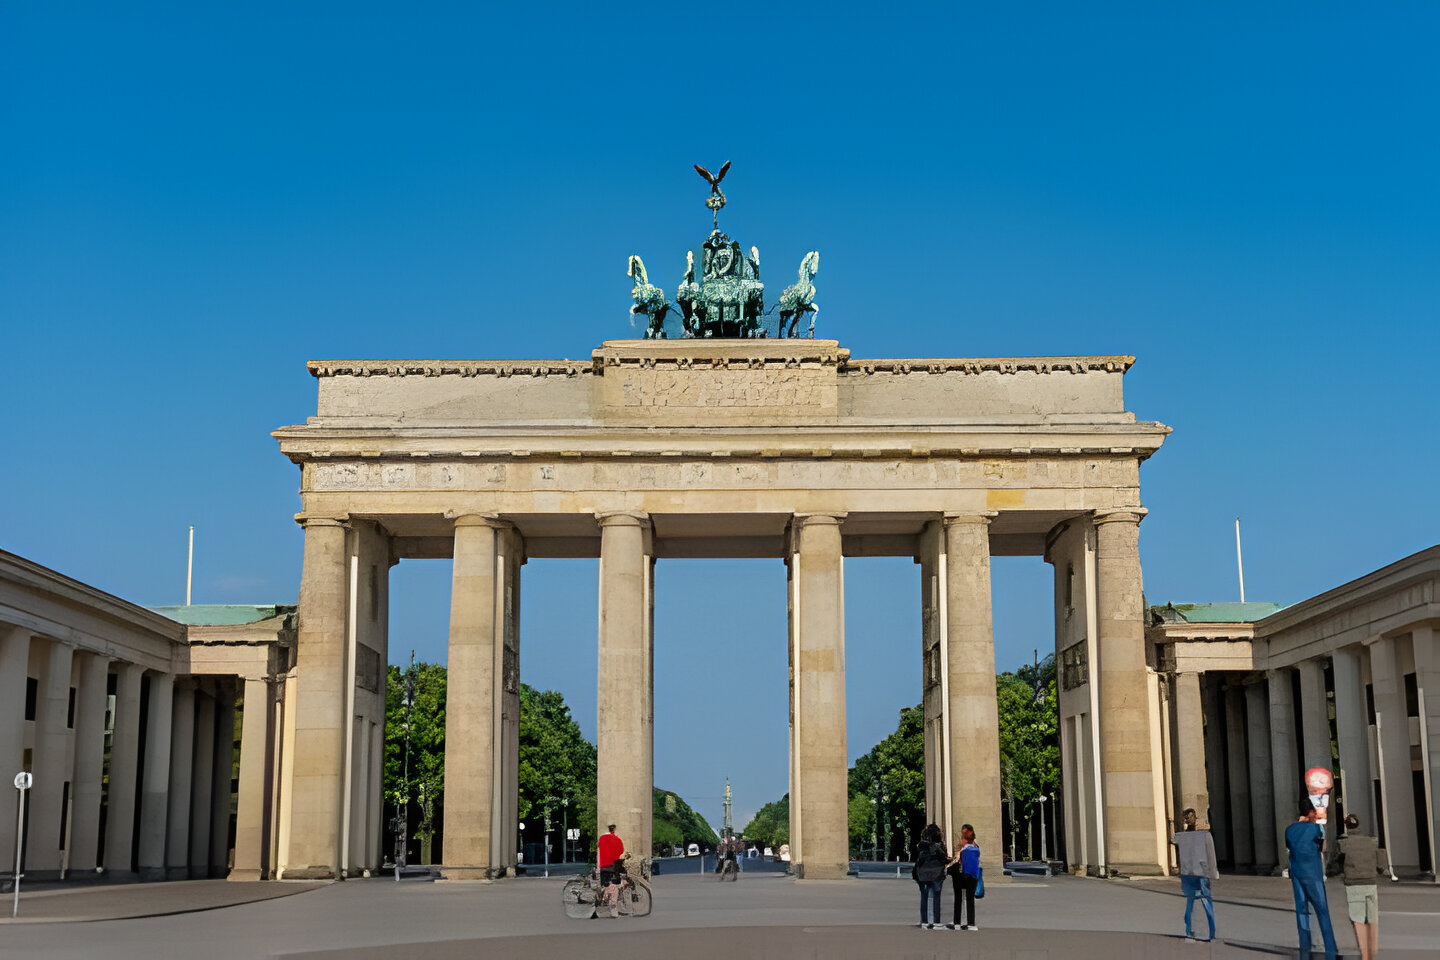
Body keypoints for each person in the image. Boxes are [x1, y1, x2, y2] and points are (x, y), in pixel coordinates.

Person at [1286, 799, 1338, 960]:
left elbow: (1289, 847)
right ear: (1311, 812)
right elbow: (1323, 847)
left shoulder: (1289, 829)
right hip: (1313, 873)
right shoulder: (1316, 829)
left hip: (1297, 873)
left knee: (1301, 911)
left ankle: (1305, 947)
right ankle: (1330, 948)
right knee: (1322, 911)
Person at [1335, 813, 1388, 960]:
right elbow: (1381, 863)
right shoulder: (1372, 841)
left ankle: (1365, 955)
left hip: (1354, 885)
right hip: (1371, 883)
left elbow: (1336, 865)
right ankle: (1373, 952)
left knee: (1358, 920)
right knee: (1372, 919)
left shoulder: (1343, 843)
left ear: (1347, 826)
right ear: (1359, 825)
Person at [1170, 807, 1219, 942]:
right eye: (1186, 818)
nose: (1188, 820)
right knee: (1190, 902)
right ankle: (1190, 931)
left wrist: (1213, 872)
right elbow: (1172, 839)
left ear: (1195, 817)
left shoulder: (1204, 835)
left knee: (1205, 901)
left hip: (1201, 872)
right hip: (1188, 872)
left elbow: (1211, 854)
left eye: (1190, 817)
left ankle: (1210, 931)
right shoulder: (1183, 836)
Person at [911, 823, 948, 929]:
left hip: (923, 873)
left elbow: (916, 859)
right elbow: (944, 859)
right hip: (937, 873)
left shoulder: (921, 845)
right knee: (936, 897)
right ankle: (936, 921)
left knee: (924, 896)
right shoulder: (939, 845)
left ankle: (924, 921)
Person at [945, 823, 981, 931]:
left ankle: (957, 923)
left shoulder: (961, 846)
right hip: (972, 875)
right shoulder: (976, 847)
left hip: (960, 874)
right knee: (970, 899)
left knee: (958, 898)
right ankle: (971, 923)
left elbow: (956, 860)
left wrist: (948, 864)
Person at [597, 824, 625, 918]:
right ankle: (613, 908)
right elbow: (621, 851)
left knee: (607, 883)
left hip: (603, 866)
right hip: (613, 866)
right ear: (614, 830)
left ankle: (604, 897)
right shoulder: (617, 839)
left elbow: (599, 848)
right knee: (615, 886)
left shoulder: (601, 838)